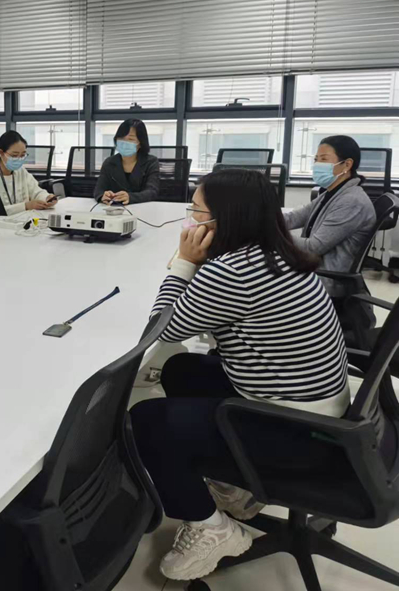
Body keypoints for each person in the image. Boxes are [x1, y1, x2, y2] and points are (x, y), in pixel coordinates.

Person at [130, 169, 351, 583]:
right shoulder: (275, 252)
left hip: (299, 432)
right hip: (321, 410)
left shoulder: (233, 270)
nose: (191, 220)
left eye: (197, 212)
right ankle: (236, 488)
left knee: (145, 420)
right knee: (181, 369)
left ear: (225, 219)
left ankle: (211, 528)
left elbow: (162, 329)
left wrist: (183, 264)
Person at [283, 135, 376, 275]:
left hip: (326, 277)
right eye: (316, 159)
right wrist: (259, 220)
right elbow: (294, 218)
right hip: (311, 264)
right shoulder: (331, 193)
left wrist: (273, 234)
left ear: (347, 164)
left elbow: (314, 247)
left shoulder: (351, 202)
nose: (317, 164)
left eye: (324, 159)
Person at [0, 131, 58, 220]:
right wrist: (25, 206)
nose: (19, 159)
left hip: (24, 221)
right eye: (14, 155)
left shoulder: (21, 171)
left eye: (22, 155)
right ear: (1, 153)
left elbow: (36, 191)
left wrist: (47, 198)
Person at [94, 119, 160, 204]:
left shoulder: (151, 162)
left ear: (140, 142)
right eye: (121, 138)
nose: (125, 143)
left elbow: (152, 192)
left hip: (142, 208)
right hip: (113, 209)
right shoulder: (109, 162)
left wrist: (131, 197)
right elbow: (98, 190)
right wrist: (103, 196)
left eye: (130, 139)